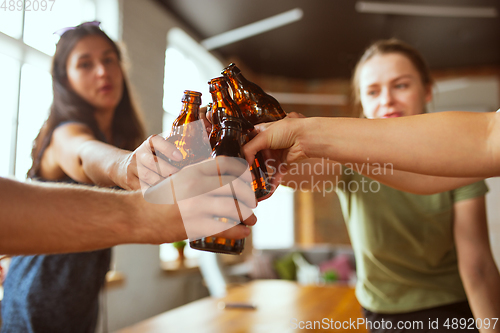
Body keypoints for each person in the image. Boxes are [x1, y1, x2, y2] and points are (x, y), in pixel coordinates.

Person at [0, 22, 255, 333]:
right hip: (36, 297)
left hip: (80, 298)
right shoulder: (64, 134)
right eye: (85, 64)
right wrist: (124, 166)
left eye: (109, 59)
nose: (102, 71)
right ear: (64, 78)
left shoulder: (118, 135)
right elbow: (86, 153)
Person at [245, 39, 500, 332]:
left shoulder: (459, 158)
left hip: (446, 310)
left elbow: (477, 266)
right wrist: (246, 149)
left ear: (427, 90)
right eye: (373, 91)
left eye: (401, 85)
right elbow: (290, 170)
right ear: (362, 102)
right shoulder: (347, 159)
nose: (387, 100)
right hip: (380, 313)